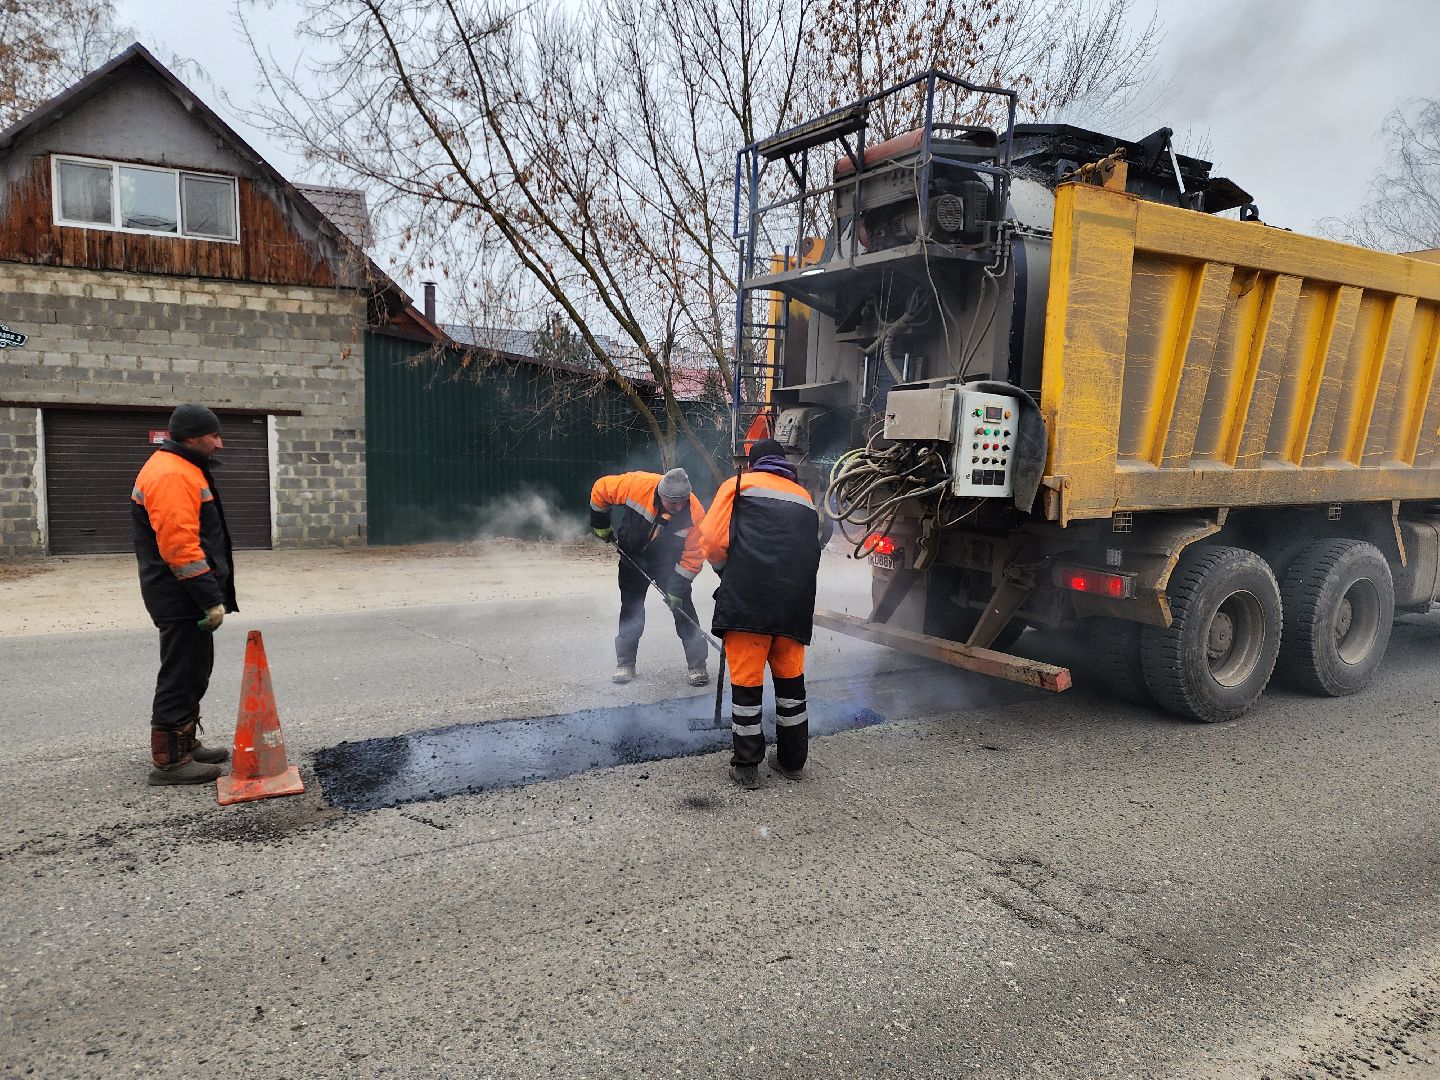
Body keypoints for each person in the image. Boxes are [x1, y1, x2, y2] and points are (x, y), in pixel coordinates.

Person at [697, 438, 822, 789]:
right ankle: (792, 762)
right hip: (793, 606)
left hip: (748, 602)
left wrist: (726, 572)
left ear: (753, 464)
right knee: (791, 686)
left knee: (748, 687)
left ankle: (748, 767)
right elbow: (811, 551)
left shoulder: (737, 486)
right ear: (784, 464)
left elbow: (710, 540)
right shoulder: (804, 498)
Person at [131, 403, 237, 786]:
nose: (219, 444)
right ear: (192, 437)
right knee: (181, 672)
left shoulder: (182, 467)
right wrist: (208, 597)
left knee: (193, 670)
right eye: (214, 436)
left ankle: (185, 742)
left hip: (180, 592)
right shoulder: (172, 473)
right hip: (179, 594)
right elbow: (179, 546)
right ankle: (170, 760)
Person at [590, 467, 710, 686]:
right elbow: (601, 489)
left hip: (669, 565)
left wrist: (676, 588)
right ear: (661, 494)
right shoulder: (637, 485)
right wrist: (600, 523)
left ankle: (697, 665)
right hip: (633, 557)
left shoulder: (695, 514)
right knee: (631, 609)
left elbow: (693, 557)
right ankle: (625, 663)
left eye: (683, 502)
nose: (679, 507)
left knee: (684, 610)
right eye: (673, 503)